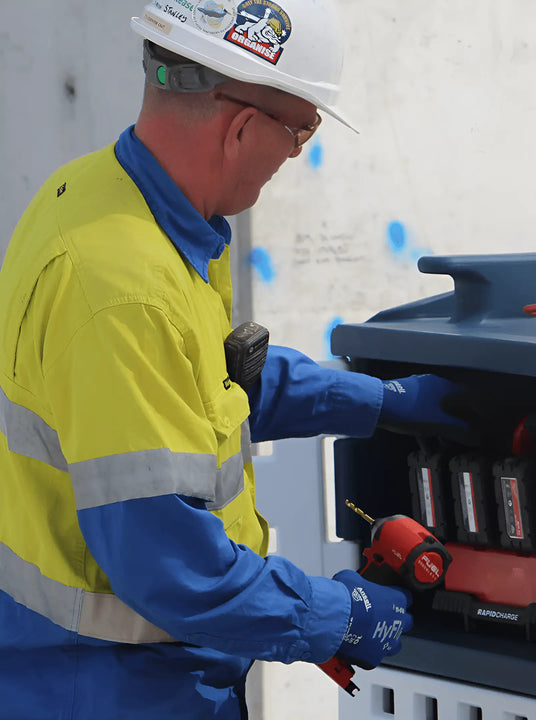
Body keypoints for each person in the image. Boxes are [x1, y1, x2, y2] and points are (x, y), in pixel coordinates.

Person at [0, 2, 464, 718]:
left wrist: (379, 402)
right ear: (244, 125)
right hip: (112, 689)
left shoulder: (103, 201)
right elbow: (171, 570)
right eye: (302, 130)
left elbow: (205, 383)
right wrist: (332, 617)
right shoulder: (123, 288)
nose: (295, 154)